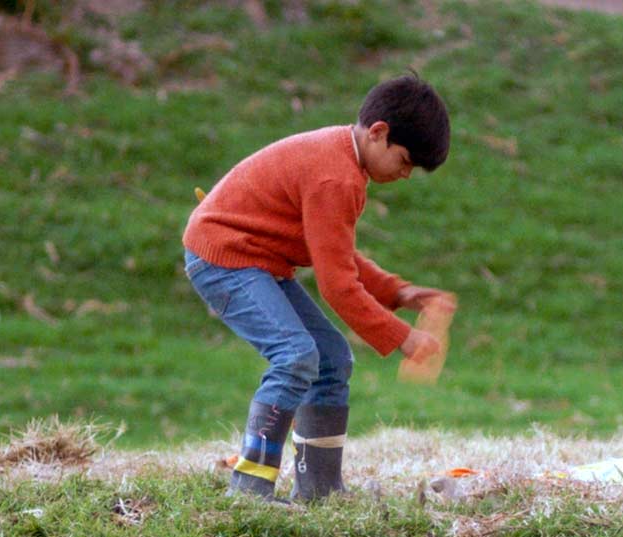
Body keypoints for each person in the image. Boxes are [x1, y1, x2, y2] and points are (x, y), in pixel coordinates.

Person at [182, 74, 456, 501]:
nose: (405, 174)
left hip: (259, 259)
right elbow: (338, 286)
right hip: (224, 256)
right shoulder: (337, 179)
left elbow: (335, 252)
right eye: (405, 161)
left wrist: (396, 292)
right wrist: (401, 337)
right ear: (379, 132)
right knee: (295, 357)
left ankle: (319, 490)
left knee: (330, 359)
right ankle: (249, 492)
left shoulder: (343, 164)